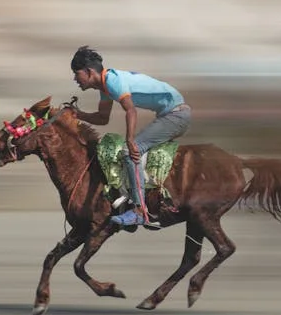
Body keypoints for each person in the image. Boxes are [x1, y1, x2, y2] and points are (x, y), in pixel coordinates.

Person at [70, 45, 191, 226]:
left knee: (129, 151)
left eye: (76, 73)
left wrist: (130, 141)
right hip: (171, 114)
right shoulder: (105, 88)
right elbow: (102, 118)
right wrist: (77, 114)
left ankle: (139, 211)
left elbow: (131, 111)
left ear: (88, 72)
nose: (75, 79)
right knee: (131, 150)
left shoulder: (112, 81)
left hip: (176, 115)